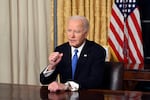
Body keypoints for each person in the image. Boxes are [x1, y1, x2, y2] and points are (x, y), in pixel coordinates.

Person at [40, 15, 106, 92]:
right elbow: (44, 81)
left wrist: (67, 86)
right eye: (69, 30)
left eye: (77, 32)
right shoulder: (61, 50)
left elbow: (95, 81)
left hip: (87, 96)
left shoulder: (97, 51)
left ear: (85, 33)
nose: (72, 36)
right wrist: (52, 66)